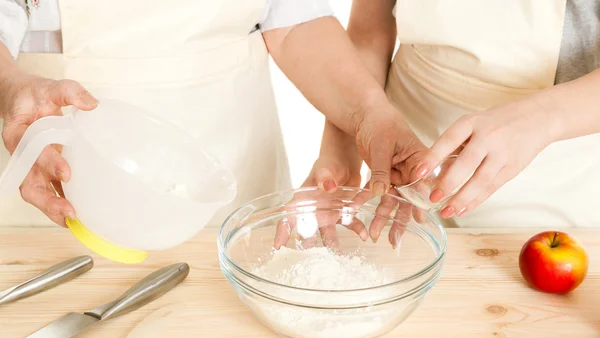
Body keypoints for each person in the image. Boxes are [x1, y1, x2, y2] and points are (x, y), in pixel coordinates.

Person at [0, 0, 415, 229]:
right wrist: (9, 85)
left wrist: (369, 113)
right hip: (58, 174)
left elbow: (291, 21)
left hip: (233, 168)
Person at [305, 0, 600, 229]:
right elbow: (368, 31)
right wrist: (349, 139)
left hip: (556, 173)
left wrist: (541, 116)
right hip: (402, 162)